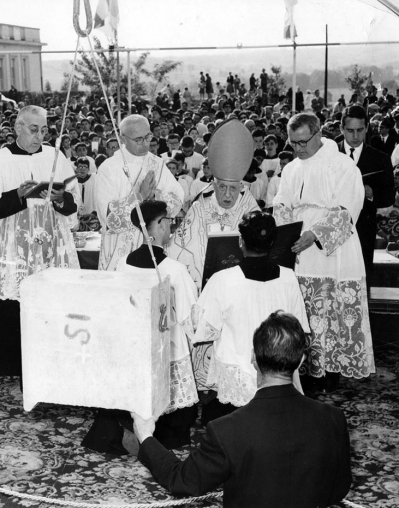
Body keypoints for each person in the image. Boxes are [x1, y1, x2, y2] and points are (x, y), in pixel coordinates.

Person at [132, 311, 352, 508]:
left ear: (253, 357)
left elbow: (181, 480)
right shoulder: (333, 418)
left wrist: (145, 435)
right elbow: (338, 490)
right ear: (301, 358)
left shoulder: (226, 430)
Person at [82, 200, 198, 455]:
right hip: (166, 351)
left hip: (134, 350)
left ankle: (127, 433)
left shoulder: (124, 263)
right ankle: (155, 439)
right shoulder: (175, 269)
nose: (171, 225)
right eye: (167, 220)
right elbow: (192, 319)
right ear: (156, 226)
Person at [273, 112, 374, 392]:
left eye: (303, 142)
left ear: (318, 135)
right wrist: (285, 230)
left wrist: (315, 233)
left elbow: (347, 208)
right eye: (293, 143)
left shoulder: (342, 165)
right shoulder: (292, 168)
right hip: (299, 247)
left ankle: (330, 370)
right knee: (303, 310)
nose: (298, 149)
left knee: (332, 311)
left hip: (332, 250)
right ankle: (305, 369)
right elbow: (281, 202)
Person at [0, 105, 80, 377]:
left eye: (45, 130)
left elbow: (74, 202)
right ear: (18, 127)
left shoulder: (56, 157)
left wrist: (61, 199)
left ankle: (54, 363)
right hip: (16, 247)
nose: (40, 135)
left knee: (52, 302)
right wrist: (18, 195)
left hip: (51, 246)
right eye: (34, 129)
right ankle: (14, 366)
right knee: (15, 303)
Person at [192, 212, 310, 423]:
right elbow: (299, 330)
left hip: (236, 376)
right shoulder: (289, 277)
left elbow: (204, 330)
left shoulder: (223, 279)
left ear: (240, 241)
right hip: (276, 375)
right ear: (273, 242)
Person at [168, 119, 260, 290]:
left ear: (241, 187)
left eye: (233, 189)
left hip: (243, 286)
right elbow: (181, 250)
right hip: (207, 286)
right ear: (214, 185)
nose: (227, 194)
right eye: (222, 187)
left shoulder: (250, 208)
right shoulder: (200, 207)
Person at [94, 114, 184, 271]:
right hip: (119, 248)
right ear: (123, 139)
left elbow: (177, 198)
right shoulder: (108, 168)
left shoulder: (156, 163)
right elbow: (107, 216)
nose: (145, 144)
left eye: (148, 137)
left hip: (151, 246)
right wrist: (140, 197)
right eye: (138, 140)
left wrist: (155, 198)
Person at [337, 105, 395, 275]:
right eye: (350, 130)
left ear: (367, 128)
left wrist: (371, 194)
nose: (355, 136)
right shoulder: (329, 155)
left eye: (360, 130)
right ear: (341, 128)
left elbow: (389, 197)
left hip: (364, 232)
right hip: (331, 233)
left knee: (362, 283)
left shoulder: (381, 159)